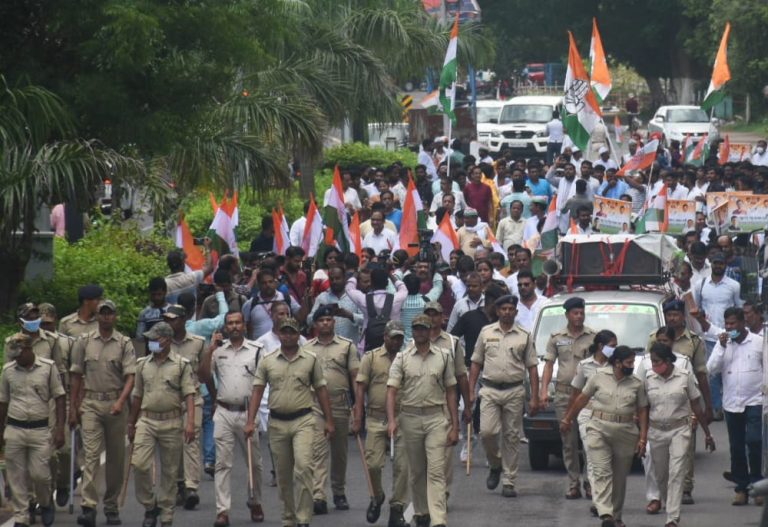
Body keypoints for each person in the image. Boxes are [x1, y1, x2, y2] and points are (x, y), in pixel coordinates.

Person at [244, 318, 335, 527]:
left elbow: (321, 389)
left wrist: (329, 421)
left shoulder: (310, 360)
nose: (288, 336)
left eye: (292, 333)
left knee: (303, 467)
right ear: (279, 334)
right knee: (283, 475)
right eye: (284, 332)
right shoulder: (268, 360)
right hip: (277, 422)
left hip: (303, 419)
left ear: (298, 335)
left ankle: (303, 518)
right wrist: (250, 421)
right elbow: (257, 389)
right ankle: (288, 518)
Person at [560, 346, 649, 527]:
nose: (632, 366)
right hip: (598, 428)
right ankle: (605, 513)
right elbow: (582, 398)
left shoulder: (636, 383)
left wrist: (643, 438)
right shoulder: (598, 376)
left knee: (619, 477)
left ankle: (616, 516)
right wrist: (568, 418)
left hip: (625, 432)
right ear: (617, 363)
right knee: (601, 471)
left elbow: (642, 411)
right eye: (629, 363)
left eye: (633, 362)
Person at [386, 315, 459, 527]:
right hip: (409, 418)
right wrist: (392, 421)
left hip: (436, 417)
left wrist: (455, 425)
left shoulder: (444, 357)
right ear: (413, 331)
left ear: (429, 331)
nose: (420, 332)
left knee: (436, 471)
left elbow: (451, 392)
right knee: (417, 472)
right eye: (416, 328)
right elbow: (391, 391)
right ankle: (421, 512)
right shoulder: (402, 358)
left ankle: (438, 520)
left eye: (424, 328)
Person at [70, 300, 136, 527]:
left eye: (110, 314)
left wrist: (121, 402)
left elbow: (130, 377)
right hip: (90, 403)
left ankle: (111, 505)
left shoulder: (124, 343)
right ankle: (88, 505)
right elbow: (76, 375)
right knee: (90, 455)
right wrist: (73, 407)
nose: (106, 317)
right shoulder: (84, 342)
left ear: (115, 317)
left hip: (115, 403)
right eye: (103, 314)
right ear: (97, 316)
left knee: (116, 459)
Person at [198, 310, 265, 526]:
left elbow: (261, 385)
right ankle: (222, 510)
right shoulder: (218, 352)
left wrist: (252, 419)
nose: (234, 326)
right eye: (230, 323)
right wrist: (210, 349)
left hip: (247, 411)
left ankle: (255, 500)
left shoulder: (257, 351)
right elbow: (204, 376)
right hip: (224, 412)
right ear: (225, 327)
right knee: (222, 464)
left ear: (244, 325)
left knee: (254, 463)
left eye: (237, 323)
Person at [469, 295, 539, 498]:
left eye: (511, 309)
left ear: (515, 312)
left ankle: (509, 480)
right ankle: (496, 464)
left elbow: (532, 368)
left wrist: (534, 397)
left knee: (511, 436)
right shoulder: (486, 332)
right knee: (487, 432)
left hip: (514, 390)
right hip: (489, 389)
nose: (507, 312)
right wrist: (471, 391)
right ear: (497, 311)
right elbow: (476, 362)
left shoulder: (524, 335)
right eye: (503, 309)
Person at [128, 322, 196, 527]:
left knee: (170, 471)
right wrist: (131, 423)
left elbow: (189, 395)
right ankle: (150, 505)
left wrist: (190, 423)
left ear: (166, 339)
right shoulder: (142, 364)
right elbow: (137, 395)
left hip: (172, 421)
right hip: (147, 420)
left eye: (154, 338)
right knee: (139, 464)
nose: (150, 342)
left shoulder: (181, 365)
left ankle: (166, 514)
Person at [643, 342, 715, 527]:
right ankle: (669, 504)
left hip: (679, 430)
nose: (654, 365)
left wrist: (707, 433)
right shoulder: (649, 378)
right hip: (656, 431)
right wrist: (642, 437)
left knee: (676, 472)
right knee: (661, 475)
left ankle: (672, 518)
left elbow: (696, 405)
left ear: (667, 361)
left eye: (657, 361)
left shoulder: (684, 376)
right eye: (652, 361)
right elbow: (643, 408)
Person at [0, 334, 66, 527]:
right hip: (15, 427)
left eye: (19, 353)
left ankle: (45, 503)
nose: (16, 358)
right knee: (16, 476)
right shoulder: (8, 371)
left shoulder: (48, 367)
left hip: (39, 428)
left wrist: (60, 429)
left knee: (40, 475)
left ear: (29, 350)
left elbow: (60, 397)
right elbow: (2, 402)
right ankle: (21, 514)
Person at [353, 321, 409, 527]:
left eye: (400, 338)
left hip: (403, 418)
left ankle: (397, 509)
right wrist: (358, 417)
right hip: (376, 418)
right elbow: (360, 388)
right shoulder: (371, 357)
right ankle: (376, 496)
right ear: (385, 336)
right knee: (373, 465)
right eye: (393, 337)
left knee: (402, 468)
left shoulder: (407, 358)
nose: (396, 341)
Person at [304, 307, 359, 514]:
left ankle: (338, 491)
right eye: (321, 320)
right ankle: (318, 495)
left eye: (329, 319)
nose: (325, 323)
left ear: (334, 323)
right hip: (315, 404)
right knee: (317, 449)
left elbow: (355, 376)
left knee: (339, 452)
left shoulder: (347, 346)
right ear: (315, 324)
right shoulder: (307, 348)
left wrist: (357, 404)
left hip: (340, 403)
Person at [707, 307, 764, 506]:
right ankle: (741, 488)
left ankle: (758, 485)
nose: (729, 327)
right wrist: (721, 347)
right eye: (727, 324)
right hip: (732, 403)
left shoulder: (758, 342)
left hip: (755, 400)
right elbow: (711, 369)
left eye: (733, 323)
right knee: (737, 447)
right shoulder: (723, 344)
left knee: (755, 441)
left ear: (742, 323)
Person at [541, 297, 596, 499]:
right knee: (568, 441)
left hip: (587, 394)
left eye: (581, 312)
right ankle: (574, 483)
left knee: (590, 440)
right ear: (567, 315)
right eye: (575, 313)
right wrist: (543, 390)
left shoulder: (593, 337)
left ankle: (590, 483)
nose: (579, 316)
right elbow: (548, 365)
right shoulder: (556, 338)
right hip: (564, 394)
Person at [424, 302, 471, 497]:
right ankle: (429, 491)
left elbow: (461, 375)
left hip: (445, 402)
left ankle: (442, 490)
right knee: (423, 455)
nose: (432, 319)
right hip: (421, 402)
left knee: (444, 452)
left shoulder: (452, 342)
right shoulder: (415, 341)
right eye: (428, 315)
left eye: (435, 315)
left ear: (442, 317)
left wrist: (468, 406)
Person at [161, 305, 206, 509]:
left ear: (183, 319)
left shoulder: (198, 343)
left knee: (191, 439)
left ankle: (191, 487)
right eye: (167, 320)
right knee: (173, 444)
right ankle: (179, 484)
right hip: (170, 401)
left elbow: (205, 373)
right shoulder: (160, 344)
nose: (170, 323)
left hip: (193, 398)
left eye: (174, 319)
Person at [570, 330, 617, 516]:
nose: (614, 349)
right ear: (600, 346)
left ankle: (602, 496)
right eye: (612, 346)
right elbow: (576, 394)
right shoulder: (585, 365)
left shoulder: (616, 366)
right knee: (592, 454)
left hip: (610, 415)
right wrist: (569, 416)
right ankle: (599, 502)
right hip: (588, 414)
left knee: (608, 458)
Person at [692, 251, 742, 421]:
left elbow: (739, 308)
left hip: (730, 336)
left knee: (729, 371)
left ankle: (731, 406)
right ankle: (716, 408)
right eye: (715, 263)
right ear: (711, 264)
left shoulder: (734, 285)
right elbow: (697, 308)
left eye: (721, 263)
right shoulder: (701, 284)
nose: (718, 266)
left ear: (725, 265)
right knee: (712, 373)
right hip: (710, 336)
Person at [309, 266, 364, 343]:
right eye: (331, 279)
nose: (334, 281)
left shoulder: (355, 296)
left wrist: (349, 315)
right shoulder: (322, 297)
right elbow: (309, 321)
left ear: (344, 278)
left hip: (350, 347)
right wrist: (320, 313)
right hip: (327, 347)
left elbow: (365, 320)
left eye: (337, 278)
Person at [243, 267, 300, 340]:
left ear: (275, 282)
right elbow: (246, 326)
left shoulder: (286, 298)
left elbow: (299, 317)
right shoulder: (250, 304)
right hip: (260, 347)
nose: (268, 285)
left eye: (270, 282)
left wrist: (306, 301)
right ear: (258, 285)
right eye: (264, 283)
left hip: (285, 344)